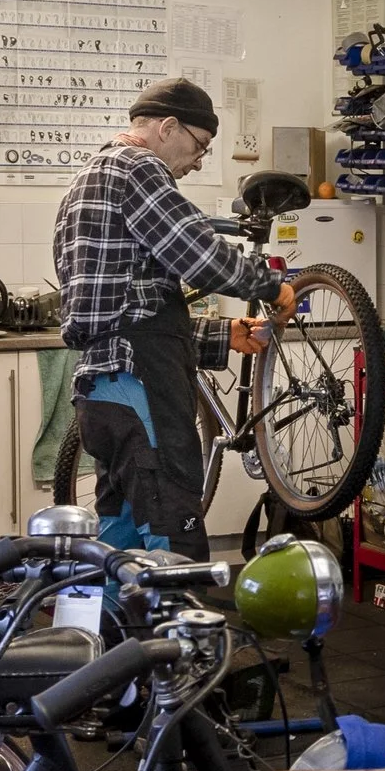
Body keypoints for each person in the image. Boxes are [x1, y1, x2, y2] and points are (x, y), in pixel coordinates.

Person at [53, 78, 292, 556]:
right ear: (167, 127)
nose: (200, 160)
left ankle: (99, 631)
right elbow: (197, 253)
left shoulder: (85, 182)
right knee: (173, 538)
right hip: (142, 386)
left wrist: (222, 337)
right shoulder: (136, 167)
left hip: (104, 392)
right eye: (200, 145)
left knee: (117, 542)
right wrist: (269, 284)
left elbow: (125, 306)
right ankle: (179, 632)